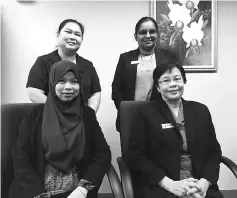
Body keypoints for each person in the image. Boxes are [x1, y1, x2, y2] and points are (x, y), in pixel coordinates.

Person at [9, 60, 111, 198]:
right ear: (52, 83)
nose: (68, 87)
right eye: (61, 81)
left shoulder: (87, 115)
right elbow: (21, 158)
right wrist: (37, 193)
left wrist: (84, 188)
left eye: (74, 82)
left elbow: (102, 154)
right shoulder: (34, 116)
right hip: (35, 191)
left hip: (76, 193)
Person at [125, 62, 223, 198]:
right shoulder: (145, 113)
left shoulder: (200, 111)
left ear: (184, 81)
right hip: (161, 186)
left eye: (177, 79)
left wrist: (205, 182)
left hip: (198, 185)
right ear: (158, 87)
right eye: (166, 80)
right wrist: (169, 184)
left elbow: (214, 151)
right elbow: (135, 155)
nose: (173, 84)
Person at [111, 16, 179, 132]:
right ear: (136, 36)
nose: (148, 36)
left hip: (161, 117)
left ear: (157, 34)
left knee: (159, 150)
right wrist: (126, 110)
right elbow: (116, 89)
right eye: (143, 32)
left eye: (152, 32)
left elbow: (175, 86)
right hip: (131, 118)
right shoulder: (125, 58)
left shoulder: (168, 57)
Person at [27, 19, 101, 113]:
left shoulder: (87, 65)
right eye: (68, 32)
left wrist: (89, 114)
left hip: (81, 121)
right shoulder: (43, 62)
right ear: (58, 35)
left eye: (77, 34)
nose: (73, 37)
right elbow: (34, 92)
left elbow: (95, 93)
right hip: (50, 118)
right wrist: (60, 112)